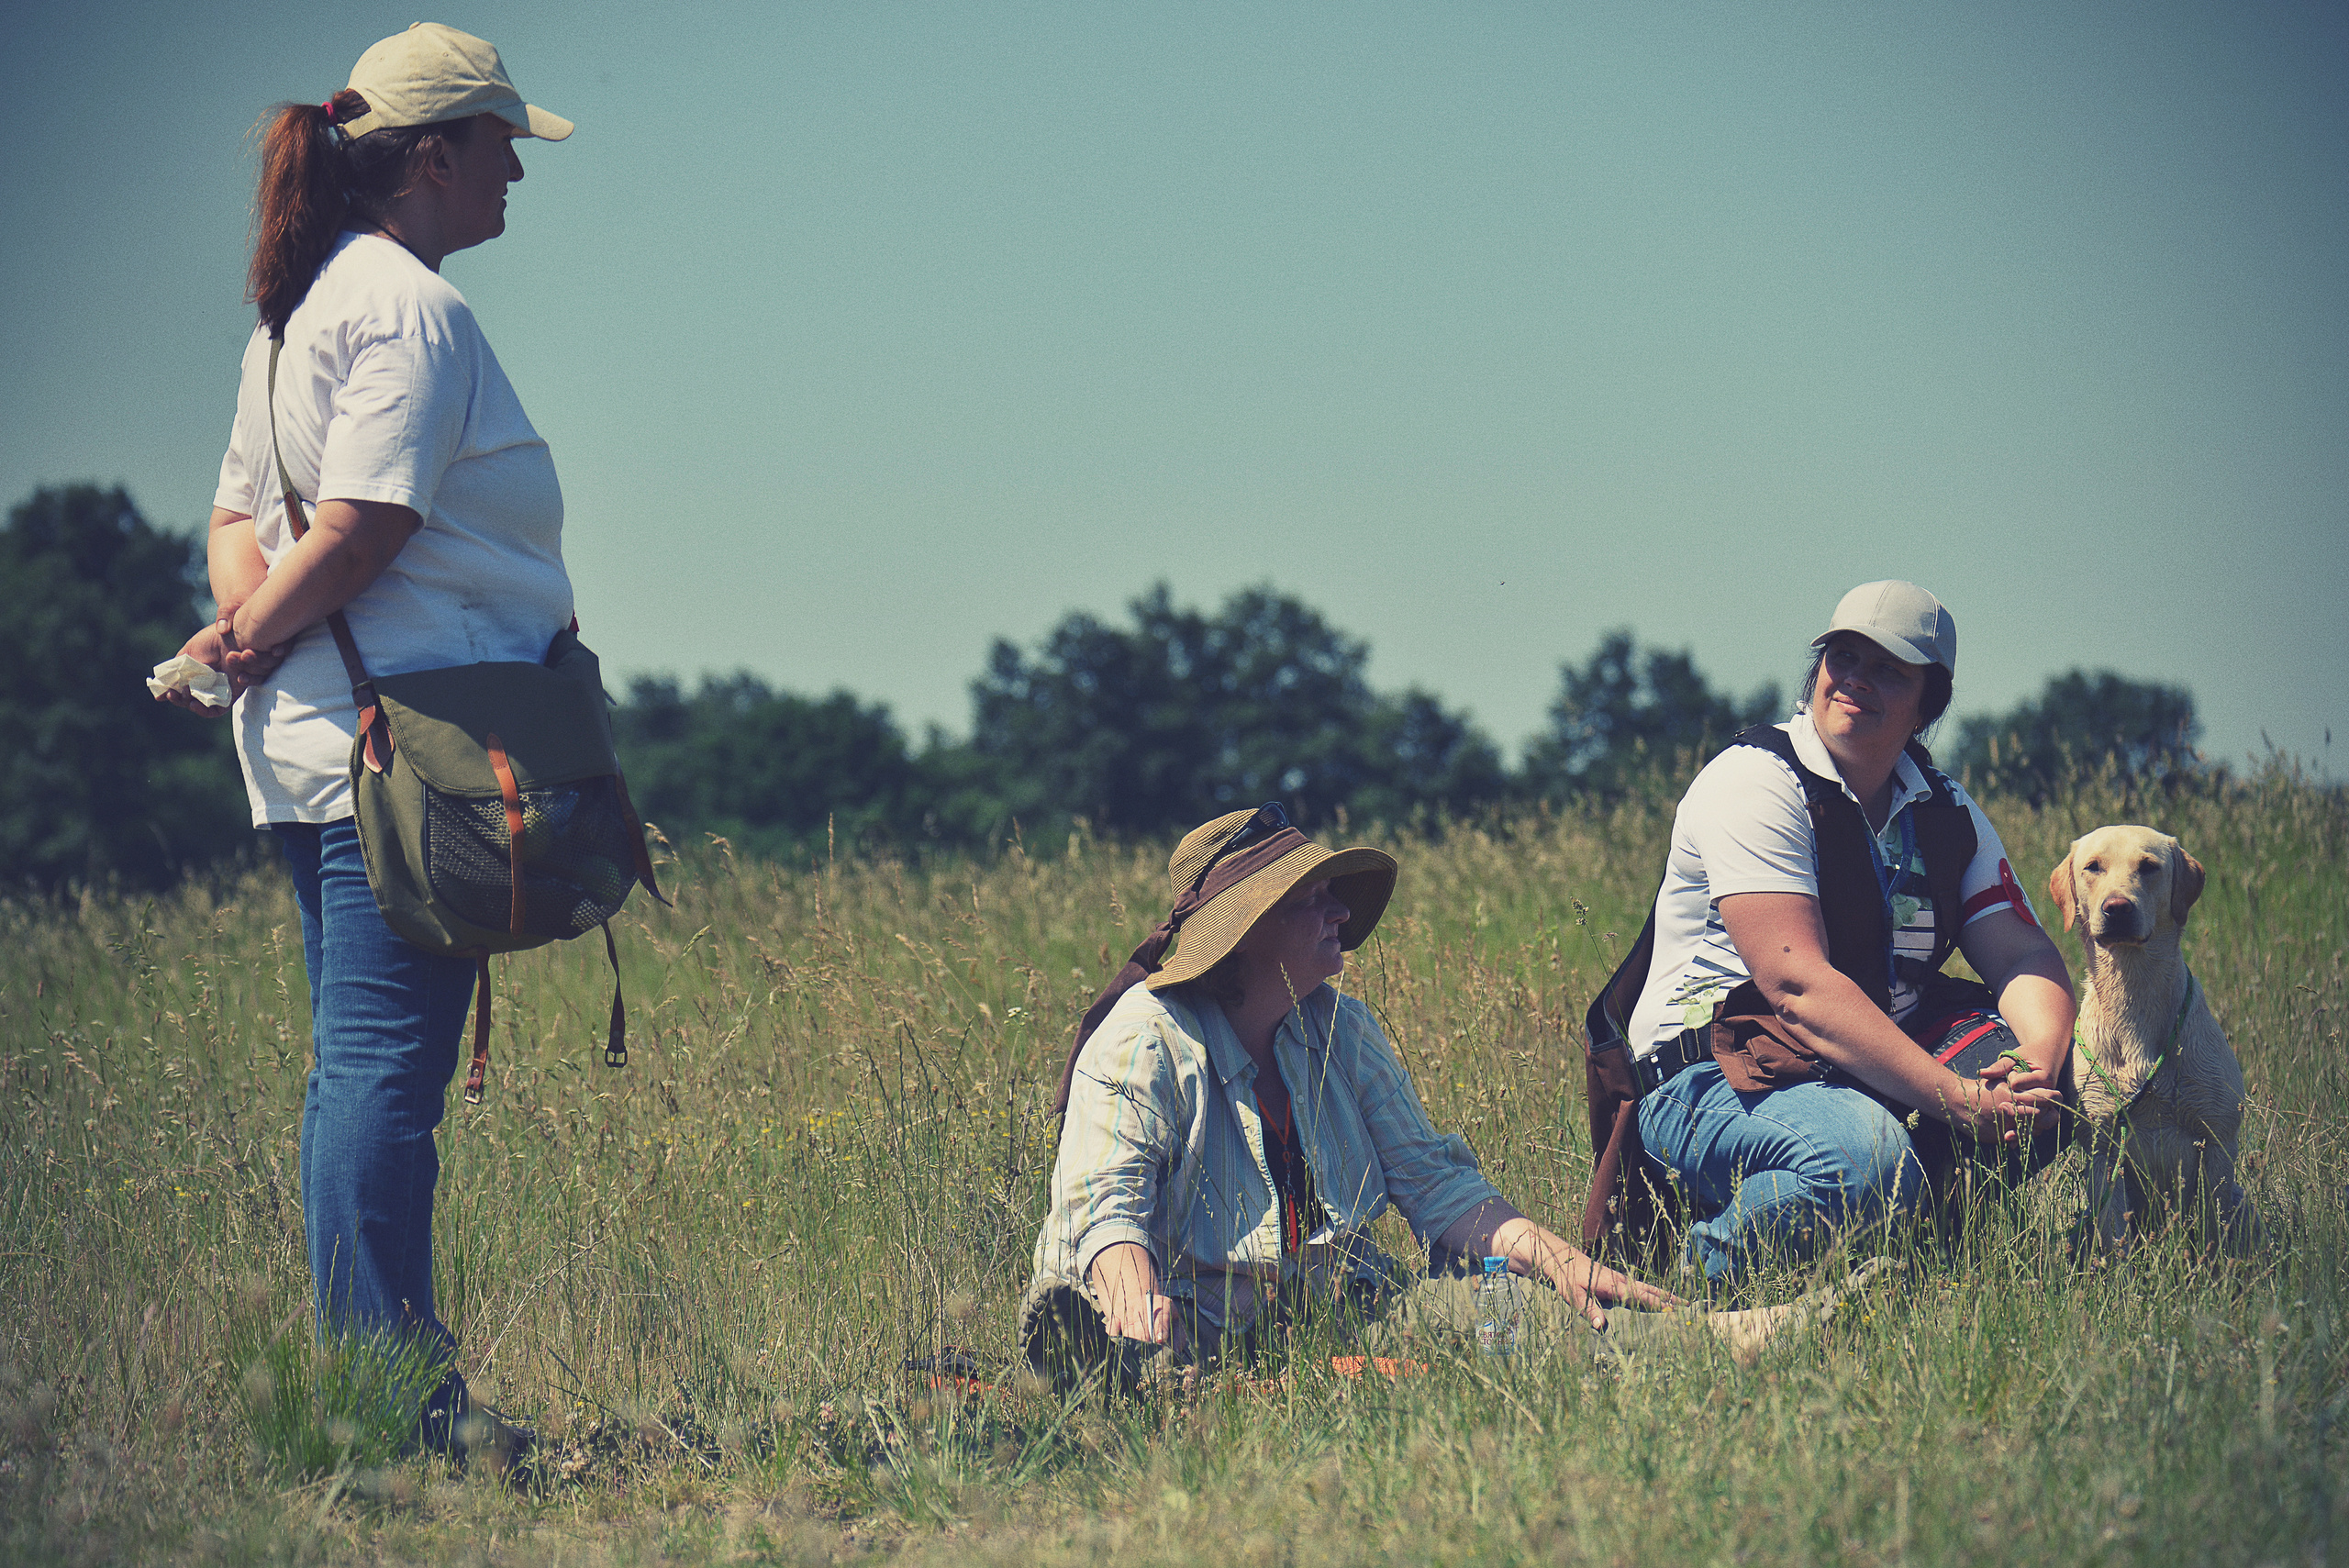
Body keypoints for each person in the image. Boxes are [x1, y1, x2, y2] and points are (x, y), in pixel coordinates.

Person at [155, 23, 576, 1462]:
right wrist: (258, 634)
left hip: (319, 751)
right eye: (503, 142)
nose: (519, 169)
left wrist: (242, 628)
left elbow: (235, 523)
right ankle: (398, 1410)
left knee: (362, 1067)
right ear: (433, 156)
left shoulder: (295, 318)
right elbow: (366, 525)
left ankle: (378, 1394)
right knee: (386, 1076)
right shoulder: (407, 307)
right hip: (405, 762)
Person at [1019, 803, 1855, 1389]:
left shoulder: (1340, 1030)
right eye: (1313, 899)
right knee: (1130, 1354)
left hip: (1332, 1307)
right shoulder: (1147, 1034)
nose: (1340, 911)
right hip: (1177, 1321)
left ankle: (1715, 1339)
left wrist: (1564, 1261)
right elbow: (1110, 1217)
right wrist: (1138, 1324)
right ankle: (1108, 1376)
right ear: (1246, 929)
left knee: (1504, 1304)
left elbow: (1437, 1188)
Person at [1623, 581, 2076, 1285]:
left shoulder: (1946, 808)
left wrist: (2038, 1062)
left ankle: (1911, 1262)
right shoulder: (1756, 780)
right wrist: (1958, 1100)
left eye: (1888, 667)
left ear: (1930, 701)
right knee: (1869, 1164)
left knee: (2070, 1090)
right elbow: (1795, 986)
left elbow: (2023, 953)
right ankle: (1684, 1293)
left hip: (1855, 1068)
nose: (1855, 678)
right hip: (1709, 1069)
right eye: (1842, 655)